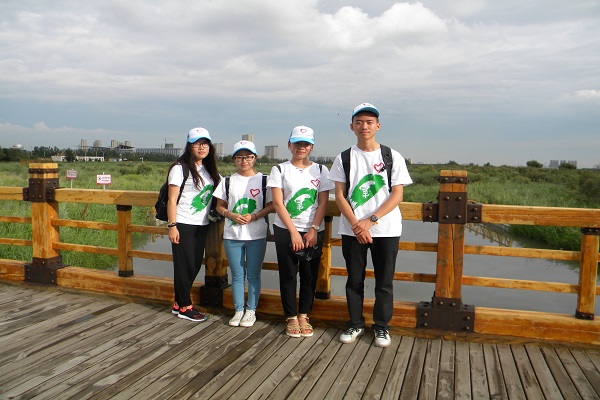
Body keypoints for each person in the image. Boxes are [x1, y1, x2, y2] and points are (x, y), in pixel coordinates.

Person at [328, 103, 413, 347]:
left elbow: (397, 194)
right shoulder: (344, 157)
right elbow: (340, 195)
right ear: (352, 126)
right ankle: (355, 323)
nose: (364, 126)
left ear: (378, 126)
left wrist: (370, 221)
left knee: (384, 282)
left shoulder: (391, 156)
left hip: (386, 229)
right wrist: (357, 225)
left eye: (369, 122)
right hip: (352, 230)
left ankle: (382, 327)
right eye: (359, 122)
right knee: (354, 280)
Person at [268, 126, 334, 338]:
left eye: (306, 144)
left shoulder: (321, 170)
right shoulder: (279, 170)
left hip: (313, 229)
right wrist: (293, 232)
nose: (301, 148)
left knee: (309, 275)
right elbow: (278, 203)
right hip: (285, 228)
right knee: (288, 274)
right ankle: (290, 316)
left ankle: (304, 315)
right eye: (297, 143)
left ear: (312, 147)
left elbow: (323, 203)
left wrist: (313, 229)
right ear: (289, 145)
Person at [213, 140, 274, 327]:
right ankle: (238, 310)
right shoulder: (227, 181)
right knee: (237, 275)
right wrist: (231, 214)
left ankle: (251, 310)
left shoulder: (264, 180)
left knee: (254, 274)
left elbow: (272, 205)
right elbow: (219, 206)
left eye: (248, 157)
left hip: (257, 234)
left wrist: (255, 216)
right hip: (232, 235)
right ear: (233, 159)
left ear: (255, 158)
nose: (244, 161)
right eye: (239, 157)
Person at [167, 127, 221, 322]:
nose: (201, 147)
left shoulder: (208, 169)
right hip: (183, 223)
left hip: (202, 224)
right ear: (189, 146)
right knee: (185, 266)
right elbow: (172, 200)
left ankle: (178, 302)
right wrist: (172, 226)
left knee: (194, 264)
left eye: (205, 144)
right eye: (197, 143)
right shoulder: (180, 168)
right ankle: (184, 306)